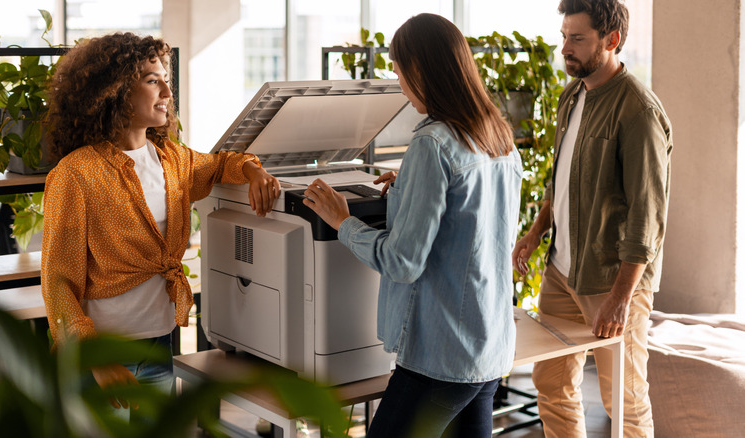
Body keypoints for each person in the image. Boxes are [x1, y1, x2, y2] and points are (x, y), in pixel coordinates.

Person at [304, 13, 522, 438]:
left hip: (439, 358)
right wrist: (409, 187)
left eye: (399, 70)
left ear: (421, 69)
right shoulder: (498, 136)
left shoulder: (431, 143)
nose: (399, 83)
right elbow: (475, 226)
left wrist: (343, 222)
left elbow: (403, 262)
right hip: (489, 350)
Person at [41, 33, 280, 415]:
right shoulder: (76, 174)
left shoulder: (173, 160)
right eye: (153, 81)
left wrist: (254, 171)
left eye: (166, 80)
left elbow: (221, 164)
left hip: (157, 344)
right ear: (116, 91)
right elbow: (58, 283)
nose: (168, 91)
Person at [511, 1, 672, 437]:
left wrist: (621, 298)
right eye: (564, 36)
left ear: (611, 40)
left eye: (578, 39)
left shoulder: (638, 111)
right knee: (552, 385)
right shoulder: (572, 95)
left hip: (612, 280)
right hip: (562, 272)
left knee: (624, 399)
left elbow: (648, 215)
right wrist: (536, 232)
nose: (566, 48)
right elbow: (563, 180)